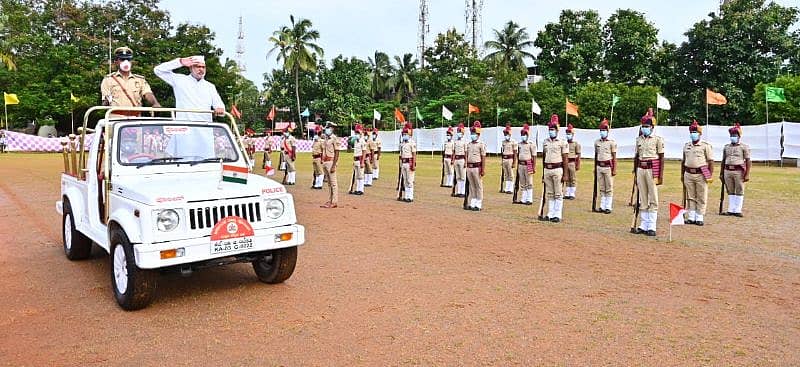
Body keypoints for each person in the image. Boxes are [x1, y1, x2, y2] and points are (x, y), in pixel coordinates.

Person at [154, 55, 225, 122]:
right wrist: (180, 62)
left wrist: (220, 108)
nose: (201, 69)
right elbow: (158, 70)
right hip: (184, 127)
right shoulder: (180, 80)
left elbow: (219, 105)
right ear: (190, 68)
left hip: (204, 128)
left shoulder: (210, 86)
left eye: (203, 67)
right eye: (197, 66)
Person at [100, 46, 161, 117]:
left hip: (135, 119)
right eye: (122, 59)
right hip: (115, 119)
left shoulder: (140, 80)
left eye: (128, 59)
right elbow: (105, 100)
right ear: (116, 62)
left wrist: (155, 103)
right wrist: (106, 101)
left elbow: (147, 93)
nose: (126, 62)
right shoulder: (108, 80)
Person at [633, 108, 665, 236]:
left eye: (647, 126)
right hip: (641, 168)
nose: (644, 128)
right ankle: (643, 225)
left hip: (652, 169)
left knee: (653, 197)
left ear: (652, 127)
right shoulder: (639, 139)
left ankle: (651, 226)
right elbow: (636, 157)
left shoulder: (657, 139)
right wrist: (635, 173)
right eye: (643, 126)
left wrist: (660, 175)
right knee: (643, 197)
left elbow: (662, 158)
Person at [681, 121, 714, 225]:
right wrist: (682, 174)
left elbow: (711, 161)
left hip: (701, 174)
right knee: (690, 195)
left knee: (701, 195)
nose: (693, 134)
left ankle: (699, 216)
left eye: (695, 132)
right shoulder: (686, 146)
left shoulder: (705, 146)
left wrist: (709, 175)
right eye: (692, 132)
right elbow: (683, 161)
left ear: (700, 134)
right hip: (688, 173)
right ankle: (691, 216)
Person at [540, 115, 568, 222]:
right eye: (550, 129)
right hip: (547, 169)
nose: (551, 131)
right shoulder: (545, 141)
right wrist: (543, 172)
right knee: (550, 193)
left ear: (557, 130)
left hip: (558, 169)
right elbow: (543, 158)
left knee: (558, 193)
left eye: (553, 129)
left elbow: (565, 158)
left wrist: (565, 174)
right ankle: (550, 213)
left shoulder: (562, 142)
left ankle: (557, 214)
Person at [721, 123, 751, 217]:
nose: (733, 137)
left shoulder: (744, 147)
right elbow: (723, 160)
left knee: (739, 189)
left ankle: (737, 210)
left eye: (735, 135)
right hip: (727, 170)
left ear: (739, 136)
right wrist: (721, 173)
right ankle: (731, 209)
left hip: (739, 171)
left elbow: (748, 161)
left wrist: (747, 174)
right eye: (731, 135)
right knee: (730, 190)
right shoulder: (726, 147)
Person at [594, 119, 617, 214]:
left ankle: (608, 206)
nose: (602, 132)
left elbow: (614, 157)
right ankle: (602, 206)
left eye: (604, 130)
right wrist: (594, 168)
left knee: (609, 187)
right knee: (602, 187)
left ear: (607, 131)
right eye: (601, 130)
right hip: (599, 166)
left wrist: (614, 169)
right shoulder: (597, 142)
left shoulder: (611, 142)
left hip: (608, 166)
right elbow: (596, 156)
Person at [464, 121, 486, 211]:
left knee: (478, 185)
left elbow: (483, 157)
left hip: (477, 167)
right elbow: (466, 156)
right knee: (472, 185)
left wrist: (483, 169)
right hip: (469, 167)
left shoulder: (481, 144)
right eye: (472, 133)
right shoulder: (469, 144)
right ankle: (472, 202)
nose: (473, 135)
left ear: (478, 135)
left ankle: (478, 203)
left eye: (474, 133)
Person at [514, 124, 537, 205]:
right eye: (522, 135)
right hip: (521, 164)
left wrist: (534, 167)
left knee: (529, 181)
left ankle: (529, 199)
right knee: (522, 182)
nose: (523, 136)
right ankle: (523, 199)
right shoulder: (519, 144)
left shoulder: (531, 144)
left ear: (527, 135)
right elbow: (517, 154)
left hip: (529, 163)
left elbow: (534, 156)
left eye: (525, 134)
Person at [321, 122, 342, 208]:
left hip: (331, 161)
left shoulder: (334, 139)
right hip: (325, 161)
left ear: (332, 129)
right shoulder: (326, 138)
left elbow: (337, 152)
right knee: (329, 183)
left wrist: (334, 165)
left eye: (328, 127)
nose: (327, 129)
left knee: (333, 183)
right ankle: (330, 200)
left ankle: (334, 201)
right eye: (327, 127)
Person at [398, 123, 417, 202]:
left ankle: (410, 197)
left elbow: (414, 154)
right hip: (403, 163)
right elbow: (401, 154)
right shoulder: (402, 143)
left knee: (410, 180)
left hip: (409, 162)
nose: (404, 135)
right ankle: (406, 196)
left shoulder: (412, 143)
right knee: (405, 180)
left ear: (409, 134)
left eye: (406, 134)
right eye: (403, 134)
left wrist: (413, 164)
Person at [564, 124, 581, 199]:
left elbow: (578, 154)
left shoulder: (575, 144)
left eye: (569, 134)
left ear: (573, 134)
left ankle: (572, 193)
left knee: (573, 178)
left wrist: (578, 164)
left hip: (572, 162)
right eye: (567, 134)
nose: (568, 135)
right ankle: (567, 193)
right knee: (567, 178)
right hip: (565, 162)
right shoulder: (564, 143)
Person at [499, 124, 518, 194]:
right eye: (505, 133)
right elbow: (503, 151)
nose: (506, 135)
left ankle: (510, 189)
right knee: (506, 174)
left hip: (510, 159)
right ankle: (506, 188)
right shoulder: (503, 142)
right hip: (504, 159)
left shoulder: (513, 142)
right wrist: (502, 161)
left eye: (507, 133)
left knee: (510, 174)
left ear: (510, 134)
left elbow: (515, 153)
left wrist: (514, 162)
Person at [451, 123, 468, 197]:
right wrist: (453, 159)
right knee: (458, 176)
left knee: (463, 176)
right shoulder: (455, 141)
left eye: (460, 132)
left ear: (463, 133)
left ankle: (463, 192)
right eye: (458, 132)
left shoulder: (465, 142)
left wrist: (466, 162)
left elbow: (466, 152)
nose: (459, 133)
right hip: (456, 160)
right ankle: (458, 191)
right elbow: (454, 152)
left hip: (462, 159)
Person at [350, 124, 366, 195]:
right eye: (356, 132)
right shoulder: (356, 141)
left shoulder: (362, 141)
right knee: (357, 176)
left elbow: (364, 152)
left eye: (358, 132)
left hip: (360, 160)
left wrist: (362, 162)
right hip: (356, 160)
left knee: (360, 176)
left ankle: (361, 190)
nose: (356, 134)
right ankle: (357, 189)